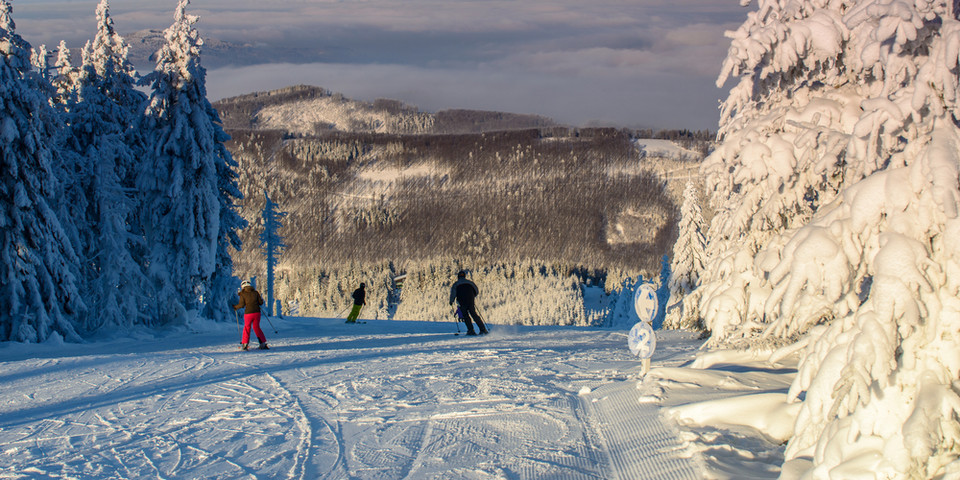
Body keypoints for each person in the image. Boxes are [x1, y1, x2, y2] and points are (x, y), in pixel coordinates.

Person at [449, 270, 488, 335]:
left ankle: (471, 330)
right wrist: (472, 296)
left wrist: (451, 301)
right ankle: (483, 329)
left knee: (465, 315)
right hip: (470, 300)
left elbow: (453, 293)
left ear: (458, 277)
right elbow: (476, 291)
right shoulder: (470, 283)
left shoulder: (456, 284)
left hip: (462, 301)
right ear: (464, 276)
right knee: (474, 314)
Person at [234, 279, 268, 350]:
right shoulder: (255, 292)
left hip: (248, 313)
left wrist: (235, 307)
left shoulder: (243, 293)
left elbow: (242, 304)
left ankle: (245, 344)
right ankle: (263, 344)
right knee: (256, 327)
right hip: (257, 313)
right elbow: (261, 302)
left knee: (247, 328)